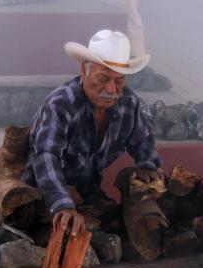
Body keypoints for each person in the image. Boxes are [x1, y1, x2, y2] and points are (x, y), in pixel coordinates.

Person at [23, 30, 162, 236]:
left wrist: (149, 165)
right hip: (43, 197)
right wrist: (63, 206)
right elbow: (46, 156)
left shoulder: (128, 103)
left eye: (120, 81)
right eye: (103, 78)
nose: (111, 89)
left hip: (88, 195)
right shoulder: (61, 105)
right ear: (83, 71)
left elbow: (142, 140)